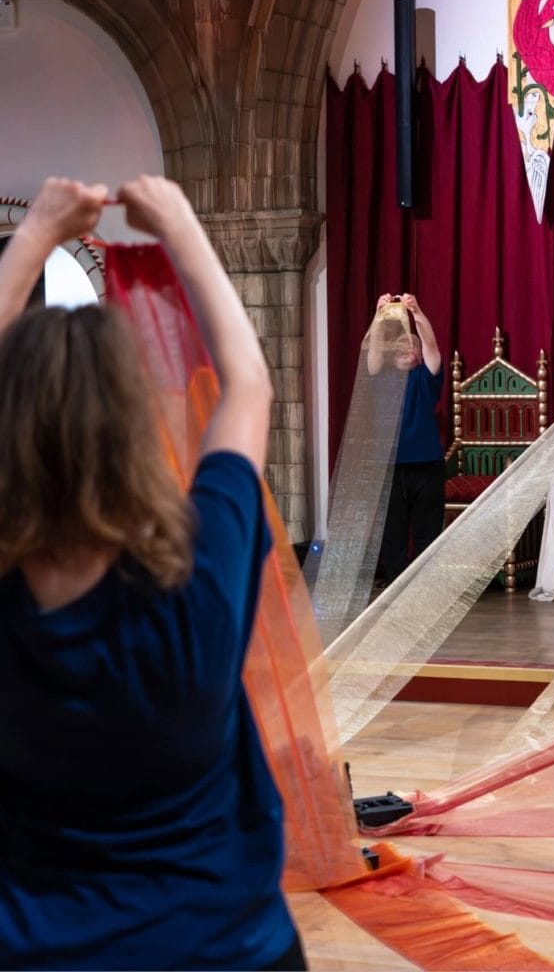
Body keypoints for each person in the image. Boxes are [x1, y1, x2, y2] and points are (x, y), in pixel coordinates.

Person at [0, 176, 306, 970]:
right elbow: (249, 384)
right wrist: (179, 224)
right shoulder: (195, 579)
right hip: (223, 947)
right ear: (135, 426)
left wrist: (34, 235)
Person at [367, 292, 445, 584]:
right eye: (399, 345)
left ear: (419, 356)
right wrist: (379, 316)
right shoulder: (382, 377)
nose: (405, 348)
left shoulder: (426, 378)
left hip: (427, 467)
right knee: (393, 535)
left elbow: (431, 344)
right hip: (390, 468)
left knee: (426, 534)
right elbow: (373, 355)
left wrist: (417, 312)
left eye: (412, 345)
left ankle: (423, 587)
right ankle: (397, 587)